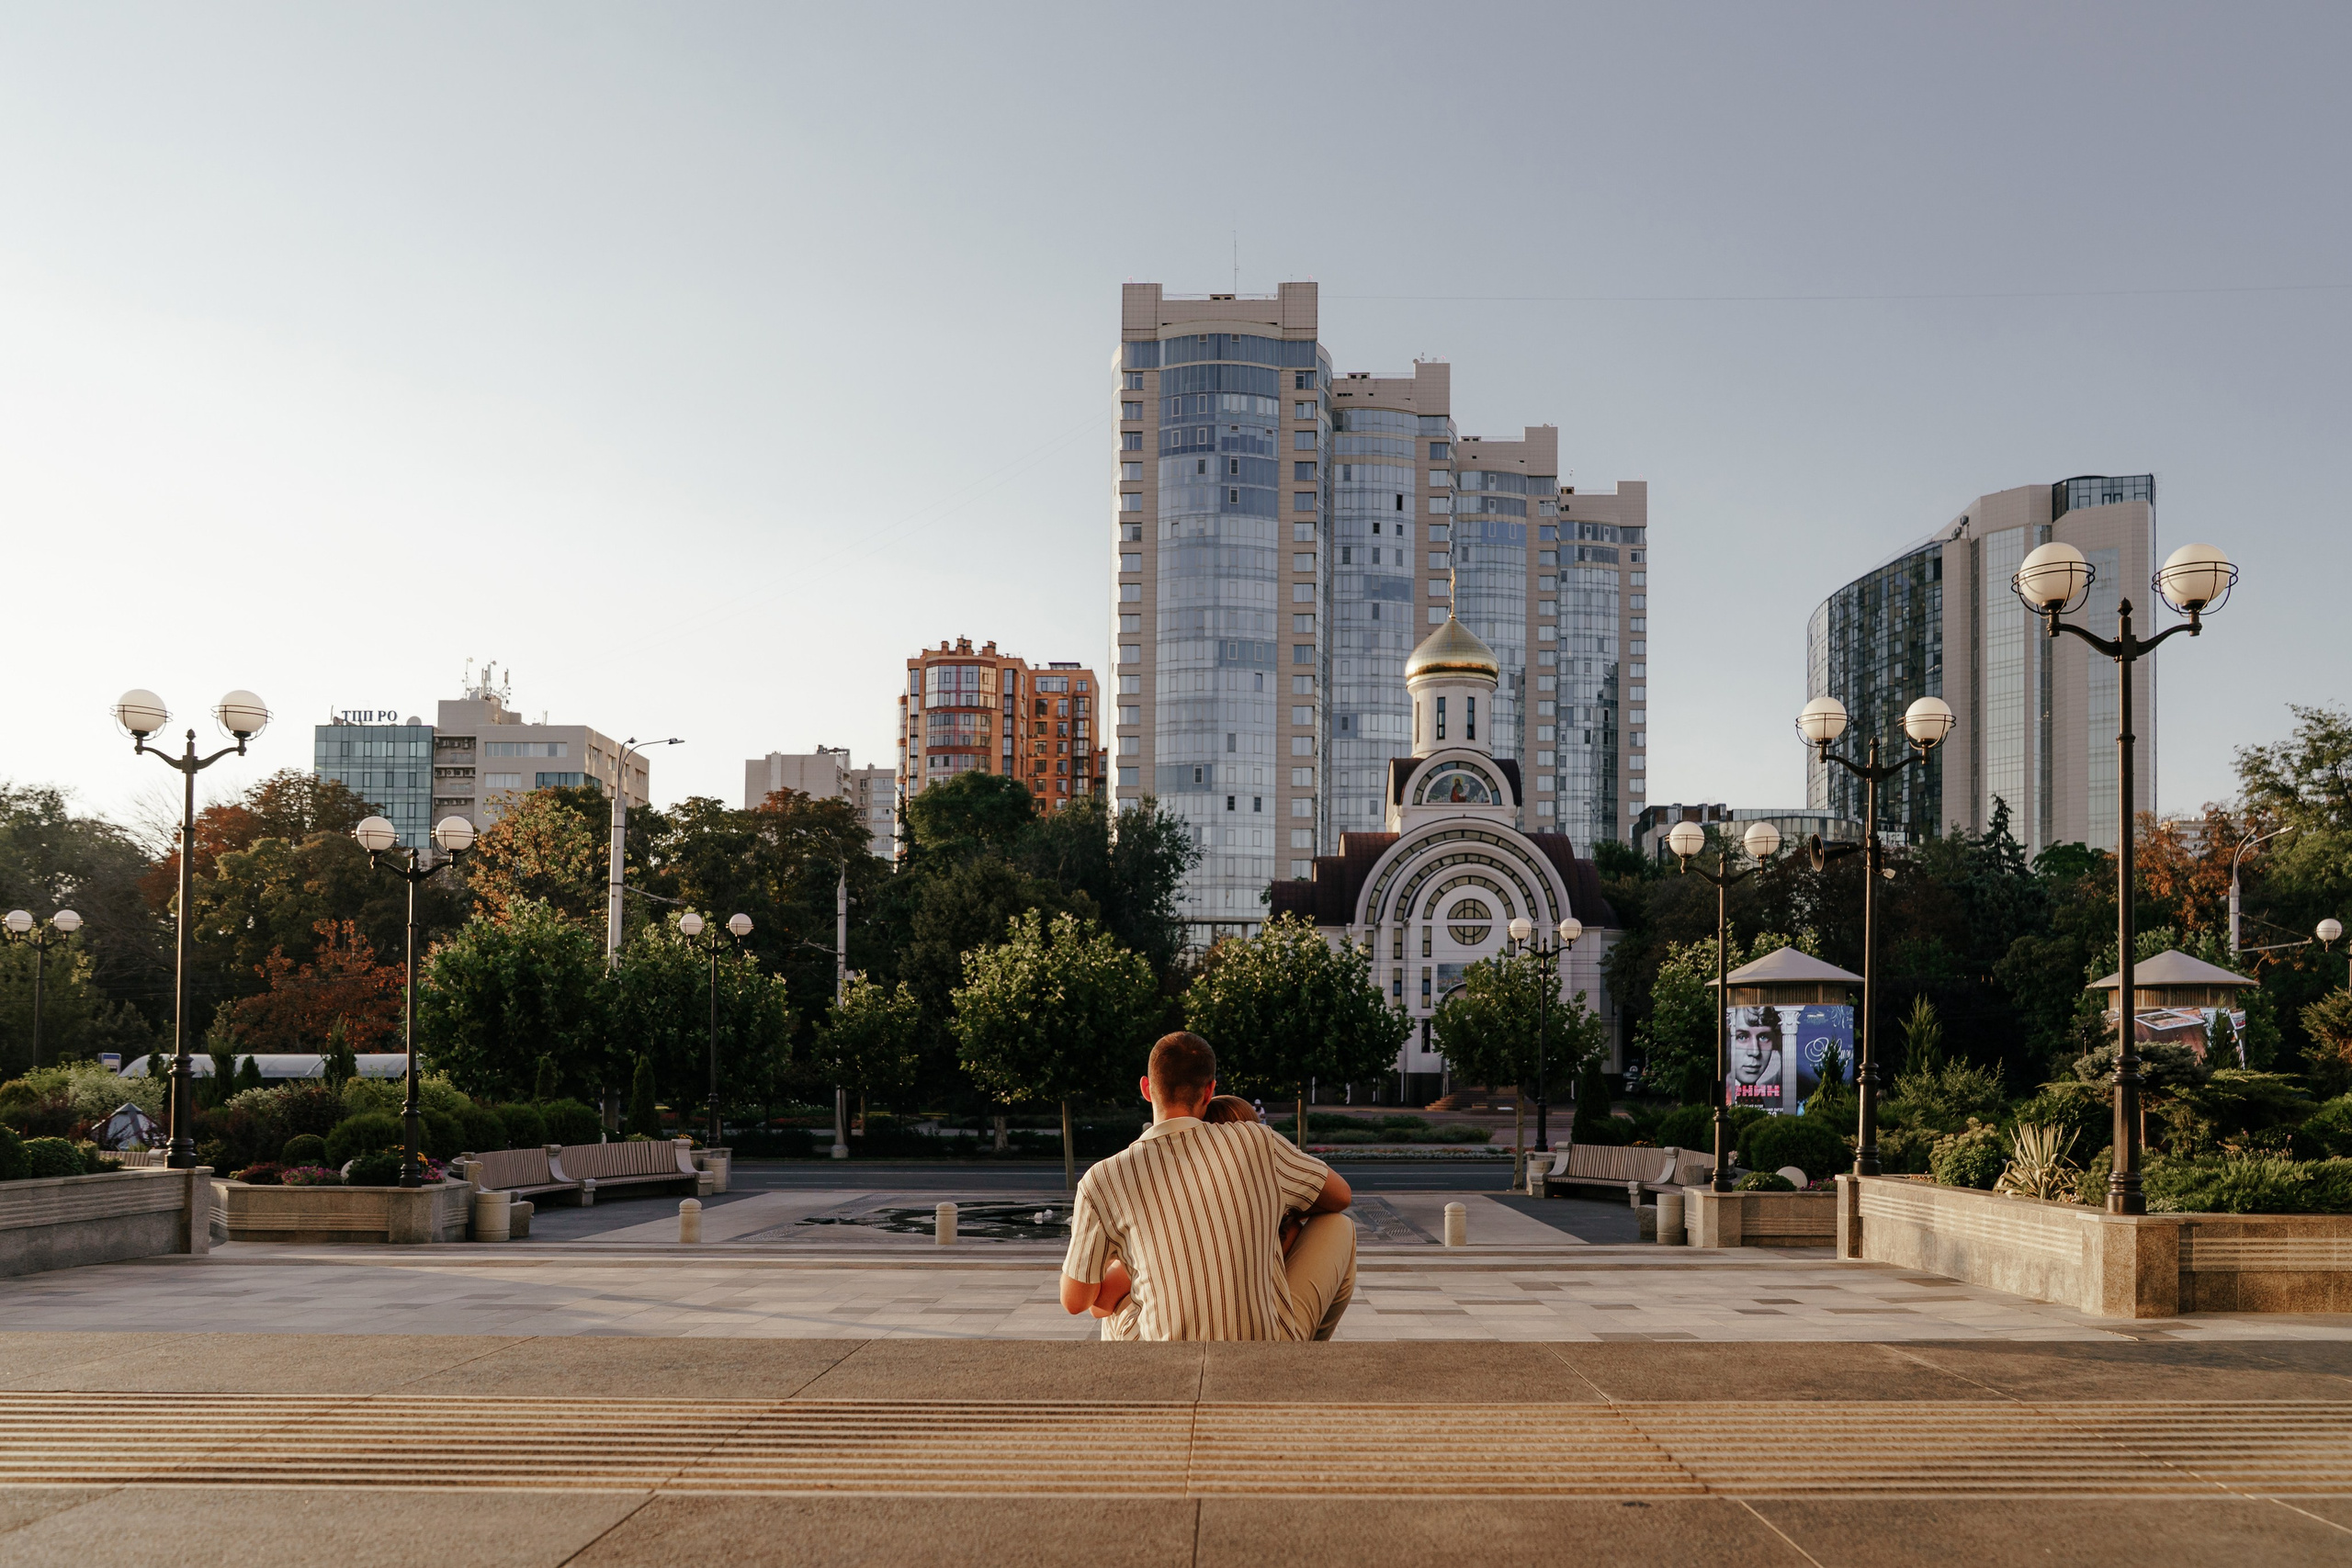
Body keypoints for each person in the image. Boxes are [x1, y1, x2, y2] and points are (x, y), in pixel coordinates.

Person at [1060, 1032, 1355, 1341]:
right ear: (1209, 1090)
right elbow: (1341, 1196)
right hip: (1263, 1349)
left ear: (1146, 1089)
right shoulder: (1256, 1141)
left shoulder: (1102, 1179)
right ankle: (1309, 1360)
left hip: (1161, 1357)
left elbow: (1075, 1302)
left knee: (1115, 1309)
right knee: (1340, 1226)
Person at [1727, 1006, 1785, 1110]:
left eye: (1763, 1037)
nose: (1755, 1051)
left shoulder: (1779, 1093)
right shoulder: (1724, 1090)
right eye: (1742, 1037)